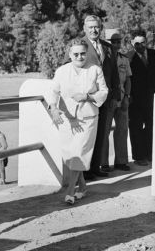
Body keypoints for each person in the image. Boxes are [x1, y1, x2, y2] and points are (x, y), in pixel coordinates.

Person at [47, 39, 108, 205]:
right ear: (69, 54)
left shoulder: (95, 69)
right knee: (70, 155)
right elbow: (54, 91)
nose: (80, 57)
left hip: (87, 118)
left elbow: (104, 92)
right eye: (76, 54)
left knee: (79, 153)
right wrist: (53, 108)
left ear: (87, 53)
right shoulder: (61, 71)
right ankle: (82, 187)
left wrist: (87, 97)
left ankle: (70, 192)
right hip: (67, 119)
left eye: (83, 53)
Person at [82, 15, 120, 179]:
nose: (93, 30)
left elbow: (114, 72)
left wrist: (115, 95)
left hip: (106, 98)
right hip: (87, 99)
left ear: (101, 28)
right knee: (87, 134)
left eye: (96, 27)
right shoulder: (79, 46)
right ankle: (85, 170)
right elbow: (67, 67)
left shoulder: (109, 47)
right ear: (84, 28)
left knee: (101, 134)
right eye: (90, 27)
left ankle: (96, 167)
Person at [128, 29, 155, 165]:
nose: (140, 46)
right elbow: (127, 80)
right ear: (132, 43)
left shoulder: (154, 54)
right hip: (135, 99)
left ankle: (150, 153)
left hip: (152, 97)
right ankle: (139, 156)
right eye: (137, 43)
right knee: (136, 127)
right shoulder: (128, 57)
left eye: (143, 43)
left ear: (146, 41)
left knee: (151, 126)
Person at [101, 31, 133, 171]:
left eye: (118, 41)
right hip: (107, 100)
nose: (115, 44)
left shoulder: (123, 59)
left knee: (122, 130)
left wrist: (127, 96)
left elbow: (128, 79)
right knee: (104, 131)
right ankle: (104, 163)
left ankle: (121, 161)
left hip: (121, 99)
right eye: (112, 42)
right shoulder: (103, 58)